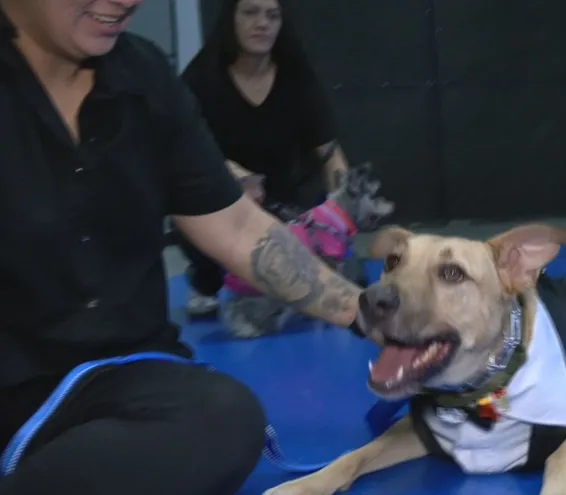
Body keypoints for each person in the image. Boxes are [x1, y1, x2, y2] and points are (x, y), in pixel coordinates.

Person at [0, 0, 365, 493]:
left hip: (126, 381)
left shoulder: (145, 75)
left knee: (225, 419)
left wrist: (369, 314)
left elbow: (235, 227)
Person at [178, 0, 353, 318]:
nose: (262, 23)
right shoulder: (200, 79)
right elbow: (183, 155)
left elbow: (329, 153)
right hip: (221, 204)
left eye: (273, 16)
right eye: (250, 13)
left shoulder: (296, 79)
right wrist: (233, 174)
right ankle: (207, 279)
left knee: (310, 262)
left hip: (283, 205)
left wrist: (342, 215)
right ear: (231, 19)